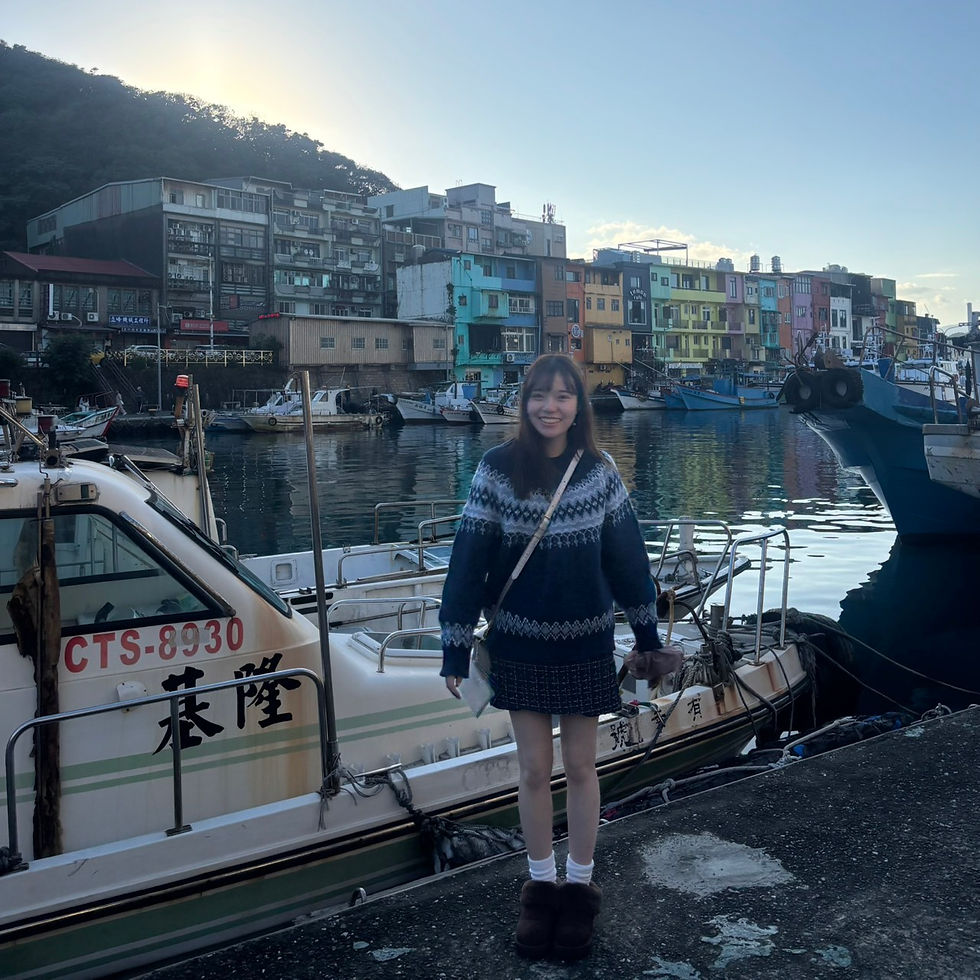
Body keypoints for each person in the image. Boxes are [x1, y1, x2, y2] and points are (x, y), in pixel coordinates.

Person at [439, 354, 662, 961]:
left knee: (583, 768)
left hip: (587, 642)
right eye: (540, 395)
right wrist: (454, 647)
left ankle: (580, 888)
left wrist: (647, 637)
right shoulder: (496, 468)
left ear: (578, 406)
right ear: (525, 402)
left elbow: (628, 560)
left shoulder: (599, 472)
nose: (550, 407)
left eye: (564, 396)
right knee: (534, 770)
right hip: (518, 642)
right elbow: (468, 560)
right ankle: (540, 888)